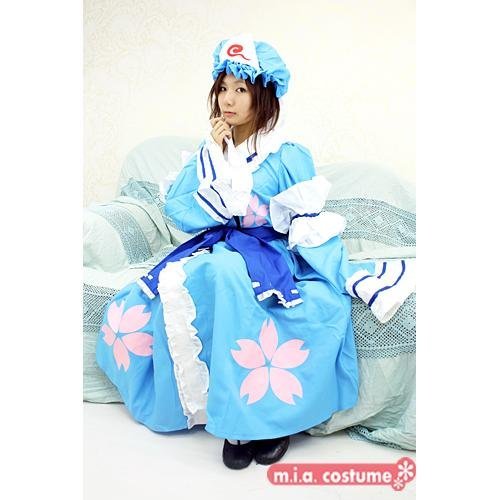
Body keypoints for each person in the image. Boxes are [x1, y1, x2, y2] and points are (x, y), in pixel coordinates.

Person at [95, 34, 415, 470]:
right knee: (188, 282)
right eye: (223, 88)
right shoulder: (209, 154)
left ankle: (268, 423)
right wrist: (214, 152)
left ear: (262, 95)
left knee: (262, 290)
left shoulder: (286, 156)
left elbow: (306, 222)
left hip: (270, 251)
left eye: (240, 89)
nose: (227, 99)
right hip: (220, 246)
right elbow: (181, 210)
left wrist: (335, 271)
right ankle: (229, 417)